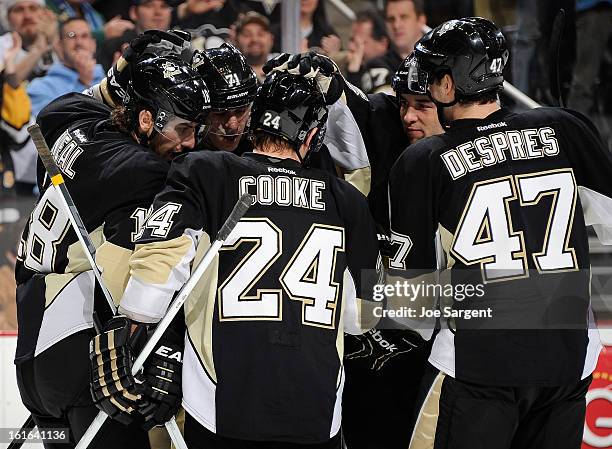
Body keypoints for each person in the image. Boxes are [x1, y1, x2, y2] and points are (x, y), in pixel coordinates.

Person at [109, 70, 381, 449]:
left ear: (254, 122)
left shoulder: (206, 170)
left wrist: (133, 334)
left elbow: (151, 289)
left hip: (222, 403)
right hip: (316, 408)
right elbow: (361, 317)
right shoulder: (345, 200)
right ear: (313, 136)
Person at [388, 17, 612, 449]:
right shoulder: (565, 128)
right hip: (567, 362)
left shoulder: (424, 160)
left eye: (434, 73)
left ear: (449, 85)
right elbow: (607, 227)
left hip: (477, 368)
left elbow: (407, 304)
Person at [14, 31, 210, 448]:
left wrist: (121, 74)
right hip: (83, 356)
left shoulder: (70, 120)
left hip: (34, 353)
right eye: (184, 128)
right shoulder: (148, 174)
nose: (191, 141)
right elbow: (151, 264)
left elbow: (71, 105)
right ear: (145, 119)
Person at [259, 49, 444, 449]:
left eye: (423, 105)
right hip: (360, 341)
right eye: (405, 104)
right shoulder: (385, 129)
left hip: (433, 344)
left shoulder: (464, 164)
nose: (409, 116)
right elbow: (358, 110)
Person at [27, 18, 104, 116]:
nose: (79, 42)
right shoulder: (40, 87)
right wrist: (85, 84)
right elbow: (48, 127)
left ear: (94, 45)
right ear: (59, 46)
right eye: (71, 36)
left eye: (84, 36)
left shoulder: (108, 79)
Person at [233, 11, 274, 81]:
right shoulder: (229, 75)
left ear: (271, 39)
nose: (254, 39)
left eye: (260, 34)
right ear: (236, 40)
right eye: (247, 34)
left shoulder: (286, 71)